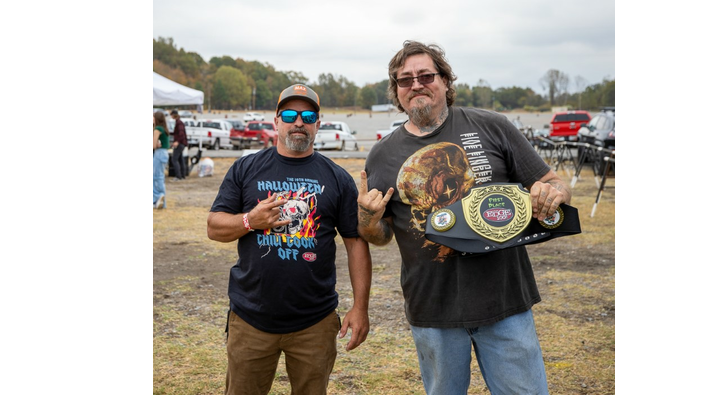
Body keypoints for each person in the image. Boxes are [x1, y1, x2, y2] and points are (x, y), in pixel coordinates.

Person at [357, 40, 572, 395]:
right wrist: (367, 219)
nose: (416, 85)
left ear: (445, 80)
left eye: (426, 76)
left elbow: (554, 182)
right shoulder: (382, 155)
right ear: (397, 91)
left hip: (504, 301)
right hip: (433, 307)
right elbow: (381, 235)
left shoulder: (493, 126)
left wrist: (555, 194)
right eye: (405, 79)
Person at [207, 84, 372, 395]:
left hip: (315, 321)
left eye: (308, 116)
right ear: (276, 121)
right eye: (290, 115)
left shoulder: (337, 177)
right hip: (251, 316)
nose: (299, 122)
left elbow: (355, 243)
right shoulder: (246, 168)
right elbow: (214, 227)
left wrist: (360, 307)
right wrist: (250, 220)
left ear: (317, 124)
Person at [153, 111, 170, 209]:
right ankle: (161, 200)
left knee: (156, 176)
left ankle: (158, 196)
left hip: (159, 153)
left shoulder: (157, 129)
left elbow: (153, 145)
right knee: (160, 176)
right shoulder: (164, 128)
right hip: (164, 153)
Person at [170, 109, 188, 181]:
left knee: (174, 159)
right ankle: (183, 175)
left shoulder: (179, 123)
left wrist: (177, 141)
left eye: (171, 115)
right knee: (180, 159)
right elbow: (177, 133)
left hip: (180, 144)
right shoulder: (179, 122)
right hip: (182, 143)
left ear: (174, 115)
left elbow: (181, 134)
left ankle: (178, 176)